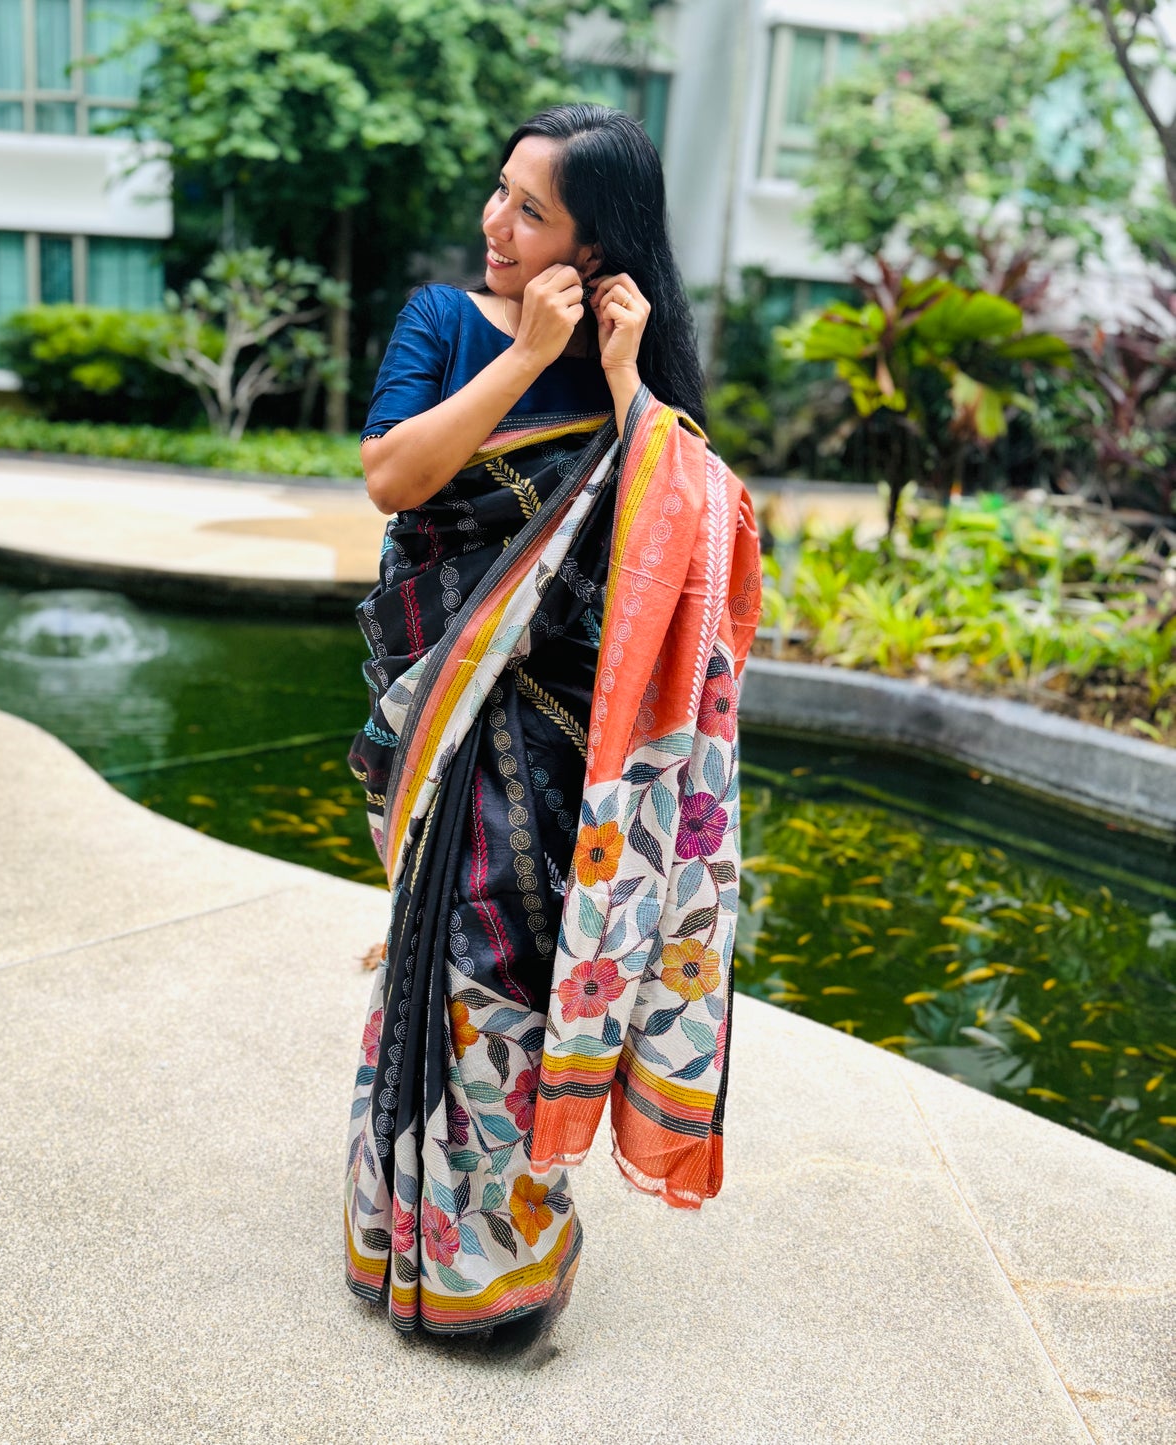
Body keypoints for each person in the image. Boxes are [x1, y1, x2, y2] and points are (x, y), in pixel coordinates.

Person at [343, 103, 762, 1342]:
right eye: (499, 193)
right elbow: (392, 476)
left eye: (531, 211)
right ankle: (411, 1234)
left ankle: (505, 1255)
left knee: (528, 982)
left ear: (596, 245)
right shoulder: (441, 321)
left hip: (574, 746)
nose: (497, 223)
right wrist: (525, 355)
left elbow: (687, 542)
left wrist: (626, 382)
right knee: (446, 963)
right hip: (454, 714)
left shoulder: (636, 369)